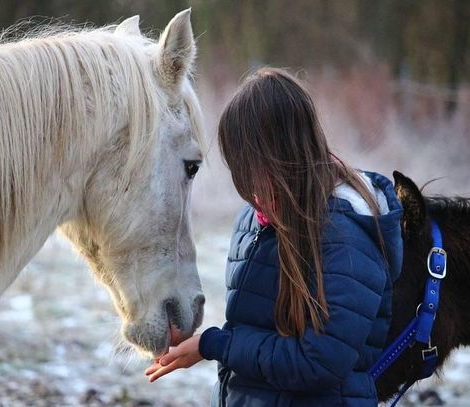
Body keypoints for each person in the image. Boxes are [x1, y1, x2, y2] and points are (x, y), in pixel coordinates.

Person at [145, 67, 403, 407]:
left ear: (283, 155)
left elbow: (318, 362)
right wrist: (190, 337)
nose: (248, 186)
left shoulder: (347, 237)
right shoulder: (254, 222)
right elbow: (256, 332)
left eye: (252, 166)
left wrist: (214, 345)